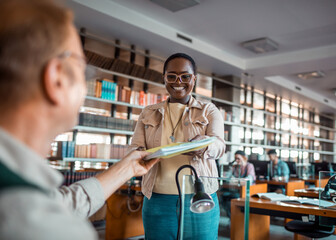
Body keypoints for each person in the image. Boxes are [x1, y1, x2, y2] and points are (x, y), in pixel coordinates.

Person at [0, 1, 159, 239]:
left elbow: (59, 203)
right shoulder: (37, 225)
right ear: (57, 80)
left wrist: (127, 168)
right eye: (83, 71)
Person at [130, 53, 225, 239]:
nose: (178, 81)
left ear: (194, 79)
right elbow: (134, 148)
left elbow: (220, 146)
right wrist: (140, 154)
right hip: (157, 199)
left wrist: (204, 146)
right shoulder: (148, 113)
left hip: (199, 195)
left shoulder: (209, 110)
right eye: (171, 76)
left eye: (185, 76)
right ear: (164, 78)